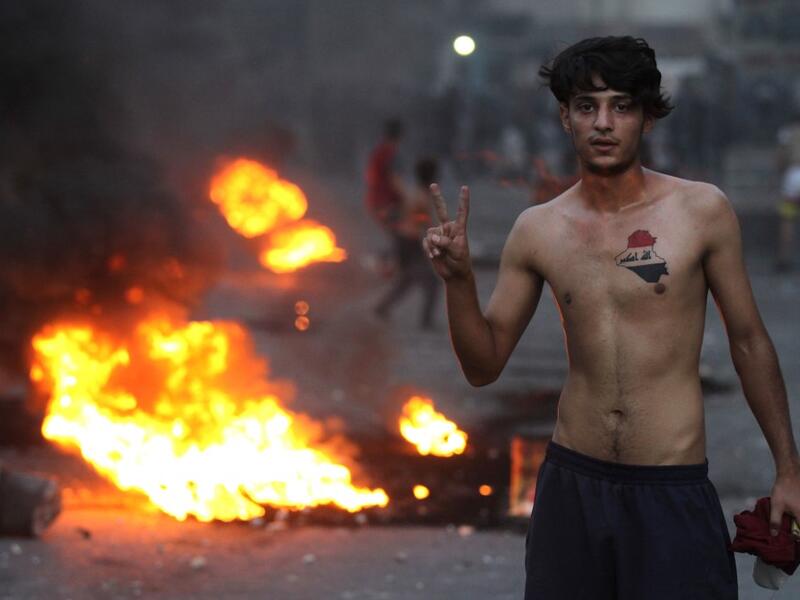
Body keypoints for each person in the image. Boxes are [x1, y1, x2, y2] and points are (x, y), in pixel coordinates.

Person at [422, 36, 800, 599]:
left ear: (647, 117)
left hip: (670, 487)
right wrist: (459, 282)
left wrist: (789, 469)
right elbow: (484, 366)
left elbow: (748, 341)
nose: (603, 123)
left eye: (621, 106)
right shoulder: (538, 229)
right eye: (586, 106)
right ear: (565, 118)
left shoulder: (701, 211)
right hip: (573, 485)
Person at [374, 158, 440, 329]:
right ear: (432, 176)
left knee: (407, 280)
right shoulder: (421, 197)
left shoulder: (415, 193)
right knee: (431, 283)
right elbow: (422, 221)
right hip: (410, 243)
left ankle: (382, 308)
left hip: (405, 241)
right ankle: (426, 321)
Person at [365, 118, 407, 275]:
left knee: (399, 237)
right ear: (400, 136)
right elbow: (395, 179)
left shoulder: (378, 152)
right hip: (386, 204)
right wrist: (408, 198)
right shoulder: (390, 153)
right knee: (401, 236)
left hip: (375, 201)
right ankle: (380, 264)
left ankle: (388, 266)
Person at [775, 115, 800, 272]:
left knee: (788, 218)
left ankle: (784, 259)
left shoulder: (787, 133)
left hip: (793, 175)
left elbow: (780, 158)